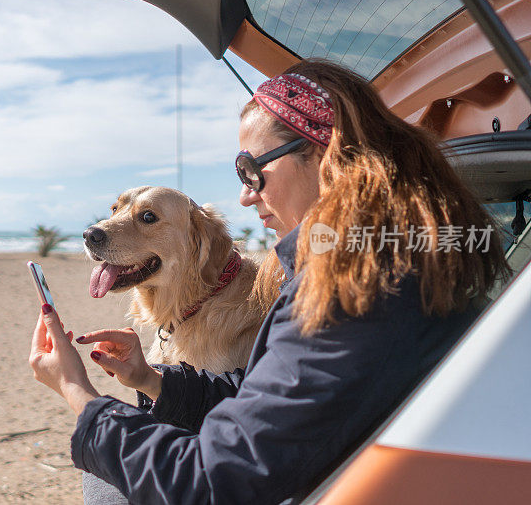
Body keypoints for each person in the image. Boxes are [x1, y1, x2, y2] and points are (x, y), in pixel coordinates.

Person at [28, 59, 509, 505]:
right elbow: (269, 391)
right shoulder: (392, 262)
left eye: (252, 169)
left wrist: (79, 394)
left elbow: (213, 479)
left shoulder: (357, 295)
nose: (243, 195)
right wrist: (150, 379)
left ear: (326, 157)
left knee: (106, 479)